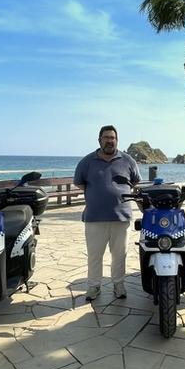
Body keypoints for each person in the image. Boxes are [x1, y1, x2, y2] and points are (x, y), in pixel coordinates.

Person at [74, 125, 141, 301]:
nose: (109, 141)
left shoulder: (128, 160)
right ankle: (93, 287)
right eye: (106, 138)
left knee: (120, 255)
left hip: (121, 218)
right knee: (95, 255)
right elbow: (80, 183)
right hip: (95, 218)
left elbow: (134, 182)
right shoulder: (87, 162)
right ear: (99, 140)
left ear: (116, 140)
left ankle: (119, 285)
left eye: (112, 138)